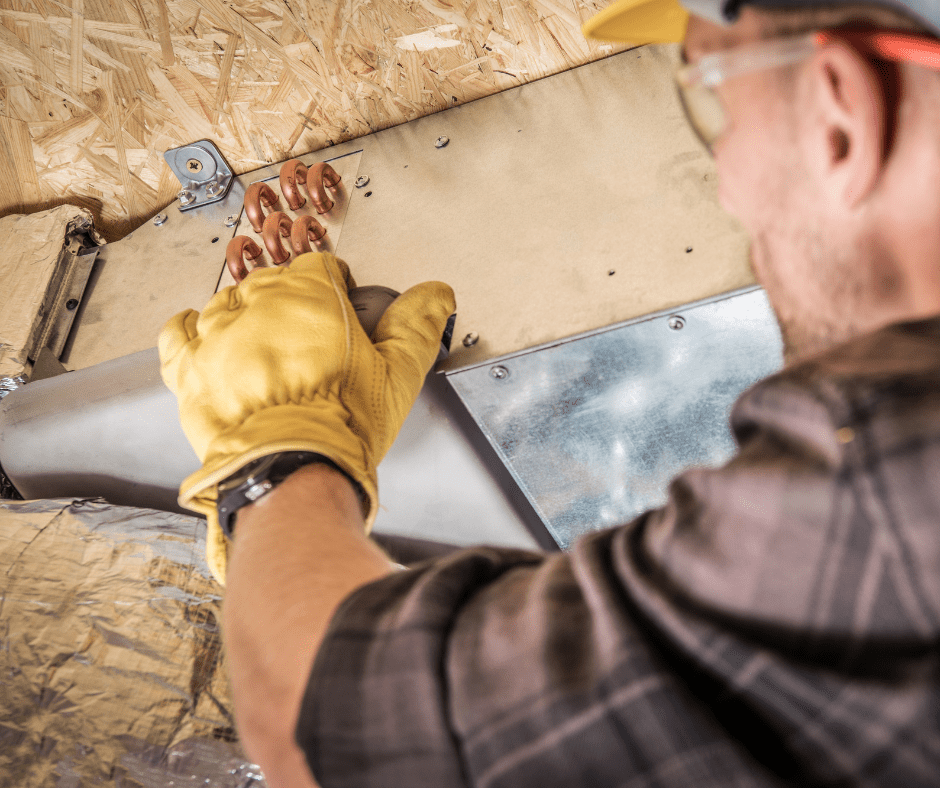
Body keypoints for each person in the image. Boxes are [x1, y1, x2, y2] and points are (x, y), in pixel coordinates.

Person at [157, 0, 940, 785]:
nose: (729, 191)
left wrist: (277, 450)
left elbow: (325, 721)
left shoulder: (886, 472)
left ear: (843, 109)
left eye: (718, 104)